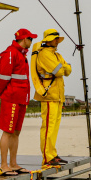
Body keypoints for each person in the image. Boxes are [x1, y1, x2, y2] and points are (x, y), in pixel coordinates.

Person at [0, 28, 37, 176]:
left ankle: (13, 163)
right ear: (24, 39)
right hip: (11, 98)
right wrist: (1, 93)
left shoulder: (21, 54)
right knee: (7, 131)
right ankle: (4, 165)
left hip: (21, 99)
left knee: (16, 132)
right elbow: (2, 77)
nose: (32, 42)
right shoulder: (10, 53)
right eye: (30, 39)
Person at [31, 29, 72, 166]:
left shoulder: (56, 55)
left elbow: (68, 71)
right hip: (49, 95)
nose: (57, 41)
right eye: (55, 39)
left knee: (54, 127)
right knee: (48, 127)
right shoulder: (44, 54)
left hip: (58, 96)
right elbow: (60, 71)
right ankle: (47, 157)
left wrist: (64, 67)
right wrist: (64, 66)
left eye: (57, 39)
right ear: (48, 40)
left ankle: (52, 154)